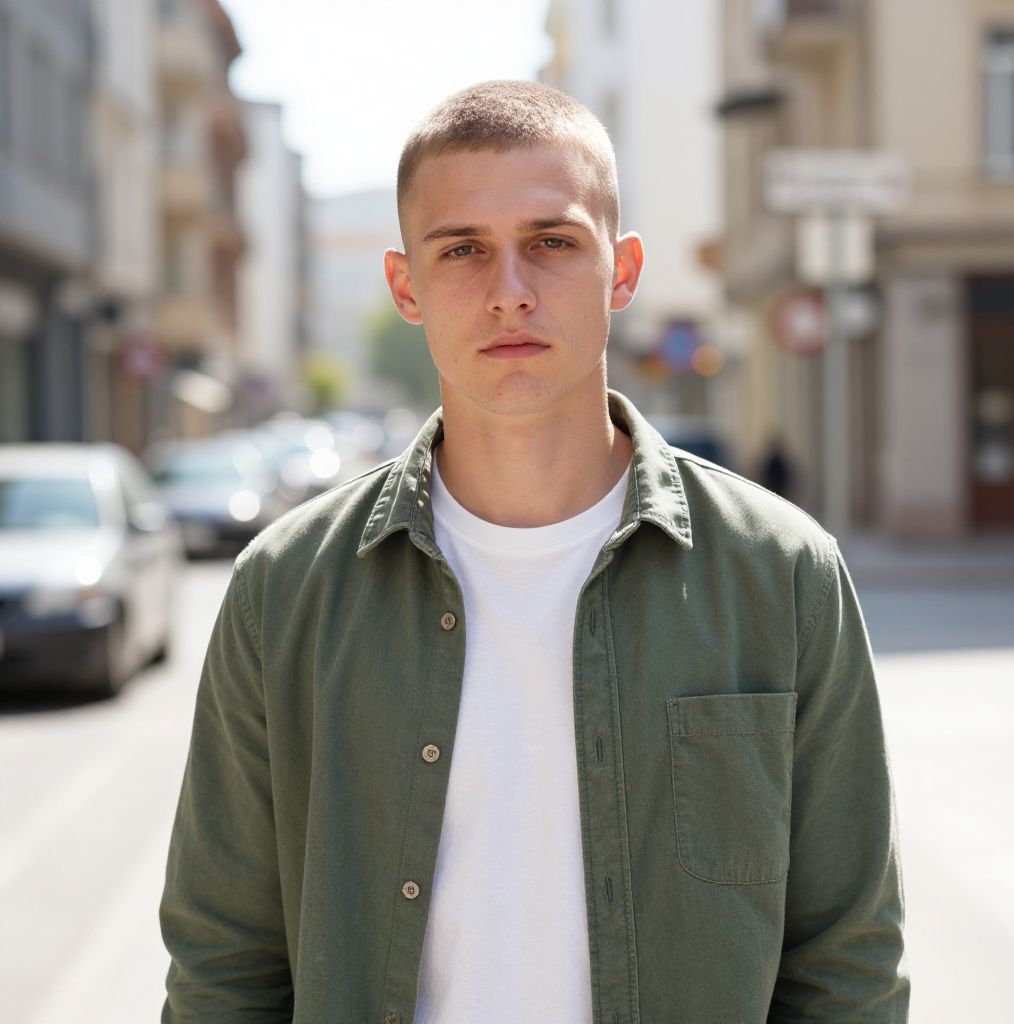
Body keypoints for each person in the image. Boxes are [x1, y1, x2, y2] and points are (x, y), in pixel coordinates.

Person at [161, 81, 909, 1023]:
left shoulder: (782, 574)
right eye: (462, 249)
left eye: (553, 243)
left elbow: (848, 960)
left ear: (622, 272)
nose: (509, 289)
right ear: (406, 288)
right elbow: (223, 964)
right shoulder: (284, 590)